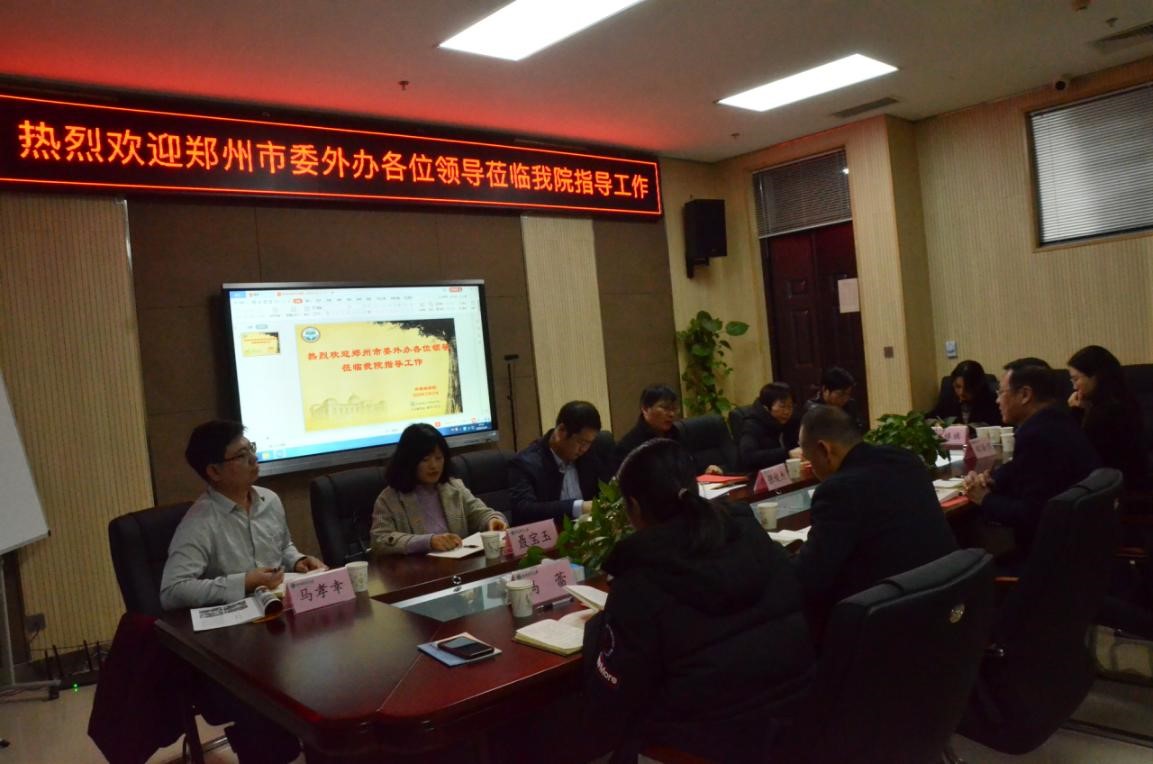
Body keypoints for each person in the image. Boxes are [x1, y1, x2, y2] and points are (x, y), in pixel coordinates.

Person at [582, 439, 814, 762]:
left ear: (633, 506)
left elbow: (615, 697)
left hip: (701, 743)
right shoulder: (749, 535)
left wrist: (597, 631)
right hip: (797, 721)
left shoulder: (638, 577)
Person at [160, 420, 324, 763]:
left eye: (252, 449)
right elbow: (172, 590)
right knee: (276, 705)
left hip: (280, 625)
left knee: (329, 669)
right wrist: (244, 582)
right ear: (214, 471)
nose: (253, 459)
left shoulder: (270, 500)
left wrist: (298, 561)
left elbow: (283, 547)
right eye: (241, 455)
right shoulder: (200, 522)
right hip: (235, 645)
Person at [793, 405, 957, 638]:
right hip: (947, 601)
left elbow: (810, 576)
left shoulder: (838, 490)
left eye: (810, 461)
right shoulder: (904, 459)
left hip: (893, 623)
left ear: (824, 450)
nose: (813, 471)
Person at [963, 360, 1099, 557]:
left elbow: (1031, 514)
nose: (997, 401)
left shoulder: (1037, 436)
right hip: (1082, 540)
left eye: (1001, 392)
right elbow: (1021, 468)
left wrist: (984, 499)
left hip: (1051, 555)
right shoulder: (1058, 419)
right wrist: (993, 479)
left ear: (1025, 395)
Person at [370, 423, 508, 554]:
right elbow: (379, 540)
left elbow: (479, 513)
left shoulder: (454, 487)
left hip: (459, 565)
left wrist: (492, 520)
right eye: (425, 460)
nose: (434, 466)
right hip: (417, 569)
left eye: (439, 458)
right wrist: (428, 542)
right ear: (409, 462)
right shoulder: (389, 499)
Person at [508, 400, 612, 526]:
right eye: (581, 442)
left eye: (589, 443)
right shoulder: (526, 463)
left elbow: (610, 490)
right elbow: (524, 510)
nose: (584, 449)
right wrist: (579, 507)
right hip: (554, 534)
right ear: (561, 431)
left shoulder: (594, 452)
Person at [1067, 345, 1146, 489]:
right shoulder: (1125, 400)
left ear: (1096, 377)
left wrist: (1076, 412)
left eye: (1076, 379)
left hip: (1115, 486)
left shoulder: (1107, 412)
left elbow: (1077, 451)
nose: (1074, 387)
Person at [610, 384, 682, 472]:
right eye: (665, 408)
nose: (671, 414)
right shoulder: (628, 447)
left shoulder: (675, 434)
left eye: (674, 409)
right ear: (645, 409)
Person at [737, 382, 801, 472]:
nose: (787, 412)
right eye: (782, 406)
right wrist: (787, 454)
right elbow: (749, 457)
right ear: (766, 407)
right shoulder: (752, 425)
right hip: (759, 475)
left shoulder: (792, 421)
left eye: (790, 406)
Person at [927, 359, 1001, 426]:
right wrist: (938, 424)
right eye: (958, 386)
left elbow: (997, 424)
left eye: (967, 388)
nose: (961, 392)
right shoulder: (949, 397)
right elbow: (929, 418)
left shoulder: (990, 398)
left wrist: (970, 428)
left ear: (978, 386)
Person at [803, 366, 867, 432]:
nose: (846, 399)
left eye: (848, 394)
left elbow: (859, 428)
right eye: (841, 394)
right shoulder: (813, 408)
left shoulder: (850, 404)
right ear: (825, 389)